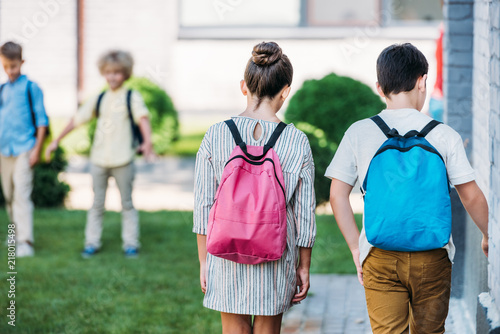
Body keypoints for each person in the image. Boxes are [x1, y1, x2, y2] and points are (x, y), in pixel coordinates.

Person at [326, 43, 488, 334]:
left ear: (379, 87)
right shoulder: (444, 135)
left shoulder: (360, 132)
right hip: (433, 256)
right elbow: (471, 195)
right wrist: (489, 234)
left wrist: (355, 248)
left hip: (378, 253)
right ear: (422, 81)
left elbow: (337, 196)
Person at [193, 41, 316, 334]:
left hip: (225, 252)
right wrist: (303, 267)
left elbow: (203, 205)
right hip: (275, 253)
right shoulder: (297, 141)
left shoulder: (216, 135)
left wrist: (203, 261)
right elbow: (305, 216)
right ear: (285, 91)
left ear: (243, 86)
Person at [45, 50, 154, 258]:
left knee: (127, 203)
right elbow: (77, 119)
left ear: (125, 73)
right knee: (96, 203)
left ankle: (131, 244)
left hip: (123, 160)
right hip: (99, 160)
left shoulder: (132, 96)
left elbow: (143, 119)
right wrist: (57, 140)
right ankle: (91, 243)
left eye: (117, 72)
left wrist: (148, 143)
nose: (112, 77)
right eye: (108, 72)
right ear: (103, 73)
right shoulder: (100, 97)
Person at [0, 41, 49, 257]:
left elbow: (42, 121)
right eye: (5, 66)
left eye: (13, 66)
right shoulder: (2, 90)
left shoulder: (31, 87)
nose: (10, 71)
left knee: (21, 194)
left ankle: (25, 241)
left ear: (22, 62)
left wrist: (37, 149)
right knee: (9, 196)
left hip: (25, 148)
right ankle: (14, 234)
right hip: (4, 150)